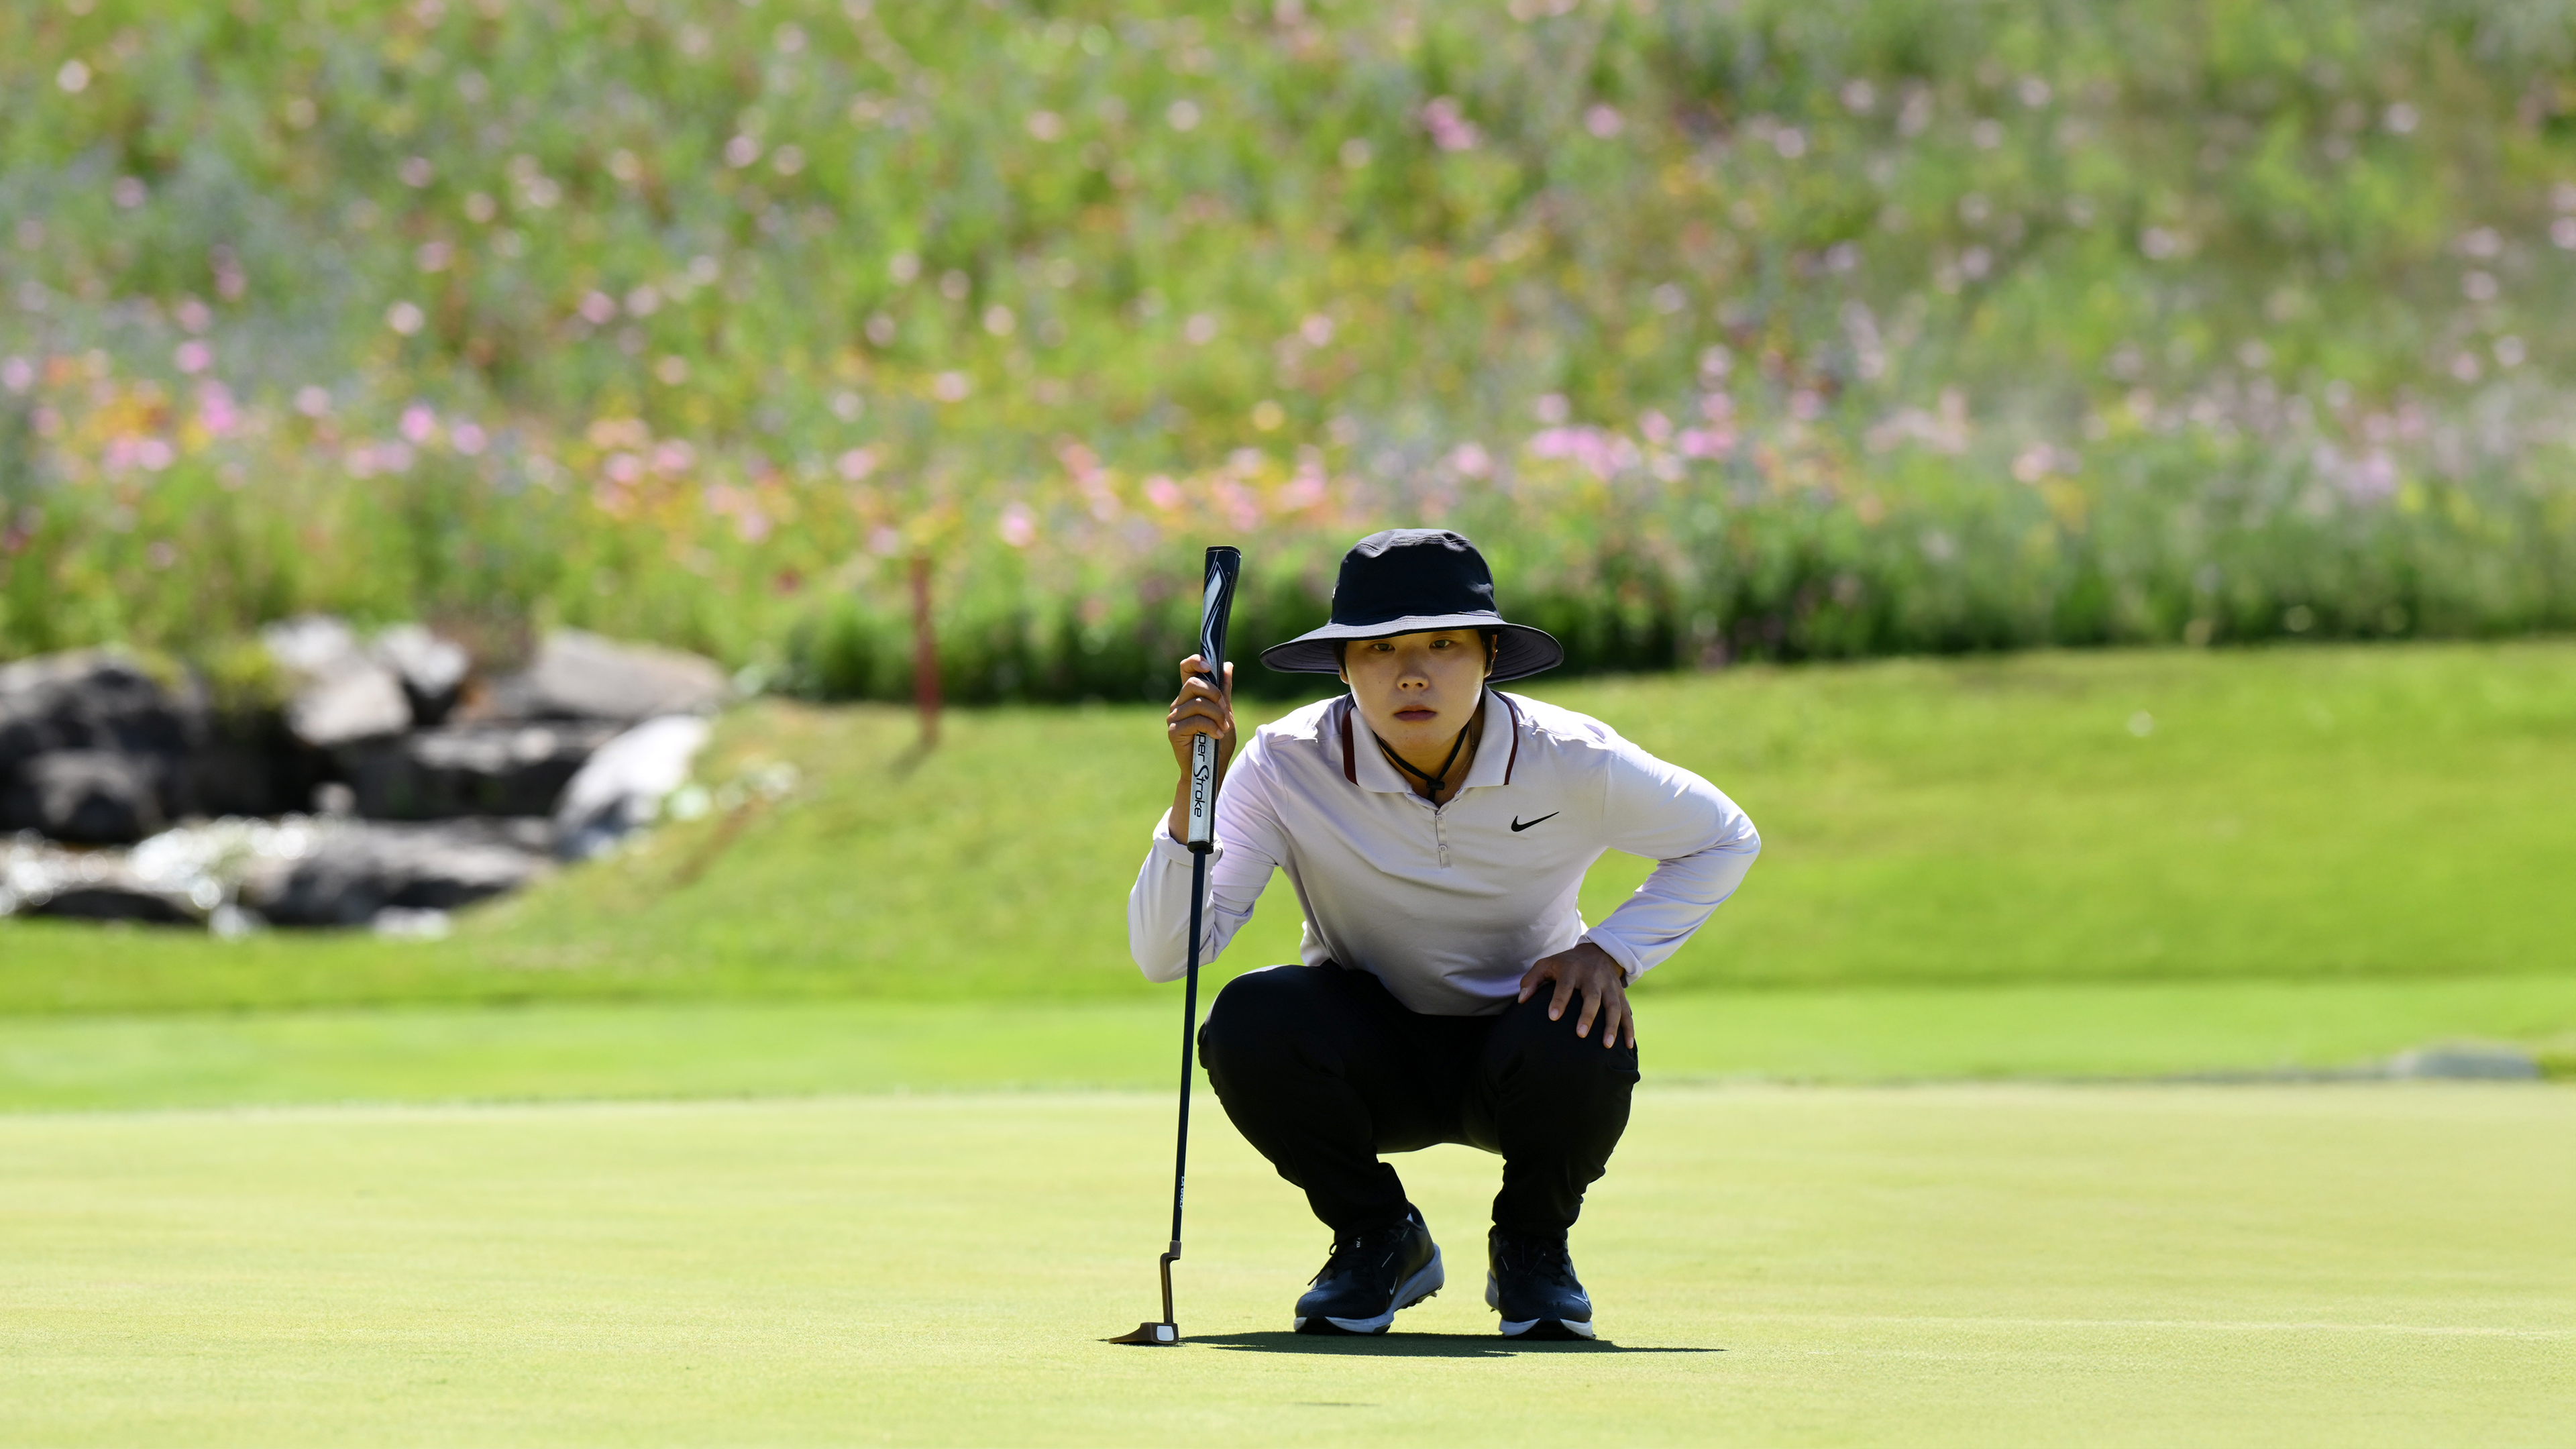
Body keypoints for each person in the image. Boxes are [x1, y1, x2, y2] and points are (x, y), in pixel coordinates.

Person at [1128, 529, 1761, 1338]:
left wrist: (1611, 950)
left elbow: (1724, 837)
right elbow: (1166, 953)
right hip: (1369, 1055)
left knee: (1587, 1027)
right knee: (1251, 1019)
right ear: (1344, 667)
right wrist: (1195, 785)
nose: (1413, 671)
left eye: (1444, 645)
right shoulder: (1286, 763)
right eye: (1382, 649)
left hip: (1525, 1052)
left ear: (1489, 657)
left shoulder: (1571, 758)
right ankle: (1376, 1238)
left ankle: (1533, 1250)